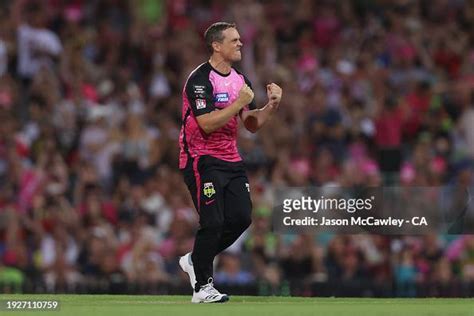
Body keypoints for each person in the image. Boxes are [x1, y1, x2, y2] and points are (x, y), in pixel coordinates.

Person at [178, 22, 282, 303]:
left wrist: (271, 105)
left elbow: (251, 124)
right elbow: (206, 124)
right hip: (201, 158)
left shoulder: (240, 79)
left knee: (241, 218)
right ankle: (202, 287)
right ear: (216, 45)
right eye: (234, 40)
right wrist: (237, 104)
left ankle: (194, 259)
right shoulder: (199, 80)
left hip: (231, 158)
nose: (240, 44)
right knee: (212, 221)